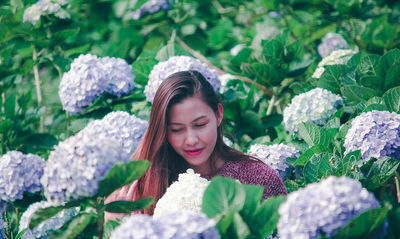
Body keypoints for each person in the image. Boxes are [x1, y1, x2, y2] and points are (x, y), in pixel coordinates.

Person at [105, 70, 287, 221]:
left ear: (218, 115)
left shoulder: (259, 178)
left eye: (200, 125)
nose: (191, 140)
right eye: (177, 129)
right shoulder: (145, 186)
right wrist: (112, 224)